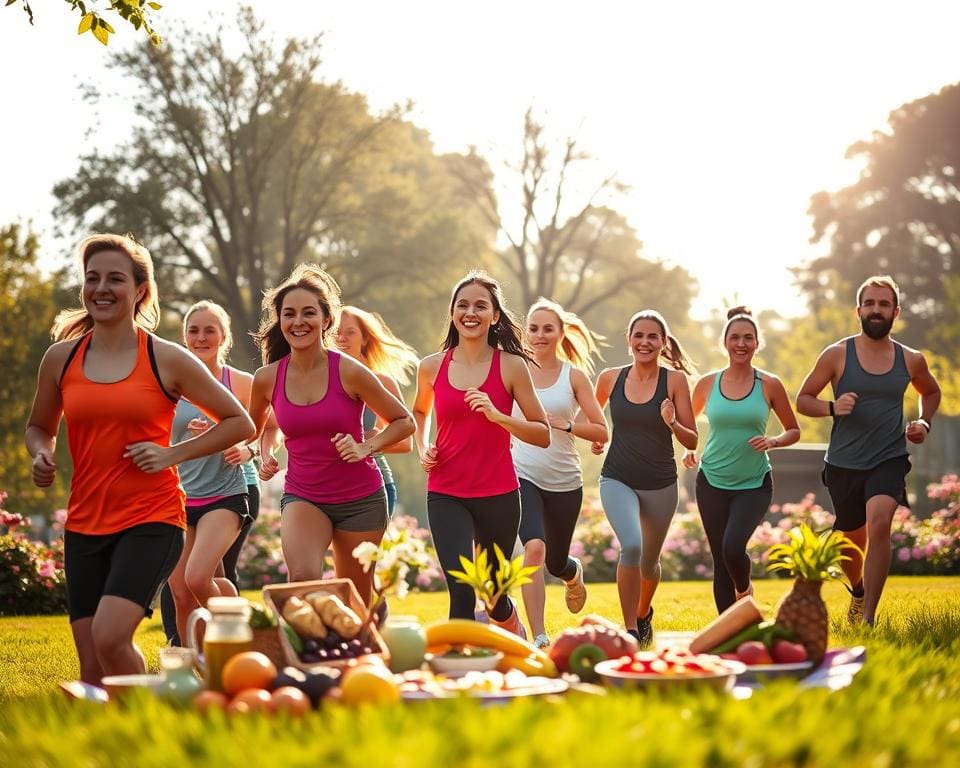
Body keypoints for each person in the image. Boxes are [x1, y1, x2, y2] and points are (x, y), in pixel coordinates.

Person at [25, 234, 254, 684]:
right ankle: (128, 722)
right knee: (92, 667)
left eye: (115, 279)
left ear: (140, 290)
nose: (101, 288)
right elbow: (39, 427)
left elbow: (239, 422)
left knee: (111, 638)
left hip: (152, 517)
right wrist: (42, 454)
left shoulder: (166, 358)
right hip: (85, 521)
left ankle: (151, 710)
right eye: (92, 278)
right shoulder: (60, 359)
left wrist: (173, 453)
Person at [248, 265, 415, 605]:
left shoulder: (350, 371)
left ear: (326, 320)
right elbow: (256, 429)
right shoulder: (267, 378)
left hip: (361, 500)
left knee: (354, 600)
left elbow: (404, 421)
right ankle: (311, 641)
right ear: (280, 321)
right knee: (302, 581)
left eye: (309, 313)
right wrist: (263, 455)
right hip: (304, 495)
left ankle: (362, 636)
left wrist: (366, 447)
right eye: (289, 314)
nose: (298, 322)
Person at [797, 276, 940, 626]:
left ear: (896, 312)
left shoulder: (911, 359)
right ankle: (858, 591)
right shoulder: (836, 354)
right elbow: (803, 400)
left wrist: (924, 422)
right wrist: (833, 407)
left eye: (884, 304)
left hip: (889, 457)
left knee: (879, 524)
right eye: (870, 304)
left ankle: (869, 619)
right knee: (851, 541)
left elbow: (931, 392)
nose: (877, 310)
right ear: (858, 310)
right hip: (843, 462)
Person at [413, 271, 550, 636]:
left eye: (480, 306)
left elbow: (542, 433)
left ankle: (509, 621)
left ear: (495, 316)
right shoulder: (432, 366)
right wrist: (423, 446)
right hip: (446, 491)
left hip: (498, 493)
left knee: (493, 594)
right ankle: (458, 664)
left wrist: (498, 416)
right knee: (461, 590)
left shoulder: (512, 366)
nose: (470, 313)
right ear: (452, 313)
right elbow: (420, 412)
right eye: (462, 305)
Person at [684, 307, 801, 614]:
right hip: (711, 481)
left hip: (754, 483)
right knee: (720, 559)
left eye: (748, 338)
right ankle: (728, 629)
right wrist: (688, 449)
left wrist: (773, 441)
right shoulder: (708, 383)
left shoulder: (769, 384)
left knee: (733, 548)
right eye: (735, 337)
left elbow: (793, 430)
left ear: (757, 343)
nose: (741, 343)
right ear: (725, 342)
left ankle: (744, 589)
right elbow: (688, 425)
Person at [592, 310, 698, 645]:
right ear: (629, 339)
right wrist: (596, 436)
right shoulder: (610, 378)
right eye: (638, 335)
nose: (645, 342)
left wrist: (671, 422)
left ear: (663, 342)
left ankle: (642, 613)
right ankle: (630, 631)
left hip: (661, 483)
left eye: (653, 336)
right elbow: (590, 418)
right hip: (617, 477)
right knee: (632, 547)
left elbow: (692, 439)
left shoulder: (674, 381)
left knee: (649, 564)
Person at [160, 300, 262, 646]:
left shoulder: (241, 383)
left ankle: (244, 639)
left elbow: (268, 427)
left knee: (198, 578)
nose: (201, 338)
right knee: (180, 591)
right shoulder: (169, 384)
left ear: (224, 337)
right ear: (184, 337)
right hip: (180, 495)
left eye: (209, 331)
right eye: (193, 330)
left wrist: (246, 447)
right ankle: (192, 658)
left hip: (226, 493)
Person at [511, 298, 608, 649]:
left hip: (565, 482)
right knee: (533, 549)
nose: (539, 335)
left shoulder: (573, 376)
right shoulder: (514, 369)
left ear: (560, 334)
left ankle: (571, 572)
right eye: (533, 328)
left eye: (547, 329)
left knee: (555, 562)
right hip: (522, 474)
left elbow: (601, 430)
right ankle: (539, 636)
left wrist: (567, 425)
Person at [335, 306, 418, 515]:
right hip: (324, 485)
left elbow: (405, 442)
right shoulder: (316, 381)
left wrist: (366, 445)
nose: (341, 338)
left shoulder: (380, 381)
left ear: (364, 339)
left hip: (373, 484)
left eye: (350, 332)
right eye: (336, 331)